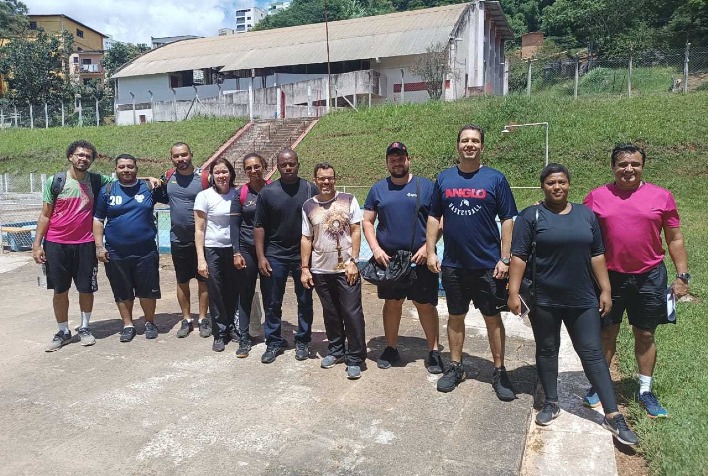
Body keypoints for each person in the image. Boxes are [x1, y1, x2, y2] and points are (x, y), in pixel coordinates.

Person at [507, 163, 638, 445]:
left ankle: (613, 414)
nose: (558, 187)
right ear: (543, 186)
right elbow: (518, 256)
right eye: (552, 182)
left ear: (569, 184)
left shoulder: (585, 215)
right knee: (547, 348)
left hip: (582, 298)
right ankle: (551, 402)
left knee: (591, 352)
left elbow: (597, 254)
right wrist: (513, 292)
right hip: (544, 299)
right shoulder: (531, 216)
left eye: (562, 182)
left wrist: (605, 288)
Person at [583, 144, 690, 418]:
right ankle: (601, 385)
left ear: (643, 166)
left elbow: (674, 238)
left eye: (634, 164)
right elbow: (582, 234)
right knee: (607, 332)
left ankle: (645, 390)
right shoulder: (596, 197)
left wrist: (682, 276)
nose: (628, 169)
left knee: (645, 333)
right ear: (613, 167)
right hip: (609, 278)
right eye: (622, 164)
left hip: (650, 277)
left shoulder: (662, 197)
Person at [426, 124, 517, 398]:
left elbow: (508, 219)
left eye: (475, 141)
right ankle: (456, 366)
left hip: (488, 264)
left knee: (492, 318)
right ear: (458, 145)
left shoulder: (495, 179)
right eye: (465, 140)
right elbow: (433, 217)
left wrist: (505, 257)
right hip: (454, 264)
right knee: (455, 316)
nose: (470, 145)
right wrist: (431, 251)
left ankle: (500, 370)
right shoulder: (444, 179)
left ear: (482, 146)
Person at [362, 142, 444, 375]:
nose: (397, 162)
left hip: (419, 258)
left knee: (425, 305)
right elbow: (367, 221)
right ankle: (391, 347)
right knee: (392, 304)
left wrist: (429, 249)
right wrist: (376, 249)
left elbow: (440, 221)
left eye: (401, 158)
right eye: (392, 159)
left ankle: (434, 350)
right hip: (389, 260)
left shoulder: (426, 187)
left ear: (408, 159)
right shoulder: (378, 189)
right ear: (387, 162)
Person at [33, 140, 114, 351]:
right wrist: (37, 244)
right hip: (56, 244)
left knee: (86, 289)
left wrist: (148, 179)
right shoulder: (56, 181)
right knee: (60, 290)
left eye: (88, 156)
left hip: (86, 243)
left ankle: (85, 328)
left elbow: (125, 179)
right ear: (70, 157)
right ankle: (63, 331)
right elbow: (45, 214)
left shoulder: (97, 181)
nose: (83, 159)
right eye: (80, 155)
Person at [93, 154, 169, 342]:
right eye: (122, 167)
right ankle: (128, 325)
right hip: (116, 251)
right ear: (116, 170)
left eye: (130, 166)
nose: (126, 170)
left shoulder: (148, 188)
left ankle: (150, 322)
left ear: (137, 168)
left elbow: (170, 197)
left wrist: (157, 180)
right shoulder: (107, 190)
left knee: (148, 290)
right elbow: (98, 220)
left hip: (146, 250)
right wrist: (99, 246)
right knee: (122, 290)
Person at [301, 163, 366, 379]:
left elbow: (356, 230)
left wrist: (353, 261)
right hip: (320, 268)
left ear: (335, 179)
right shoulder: (308, 206)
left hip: (346, 268)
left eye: (329, 178)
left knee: (351, 312)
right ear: (315, 180)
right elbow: (306, 238)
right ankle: (336, 350)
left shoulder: (348, 200)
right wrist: (305, 268)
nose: (325, 182)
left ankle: (355, 357)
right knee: (330, 313)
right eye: (321, 178)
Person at [254, 148, 317, 364]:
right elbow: (259, 226)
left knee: (305, 300)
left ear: (298, 164)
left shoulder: (310, 189)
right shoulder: (268, 193)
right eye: (283, 165)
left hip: (304, 257)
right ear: (277, 166)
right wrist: (261, 256)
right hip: (275, 255)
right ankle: (273, 341)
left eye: (292, 164)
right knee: (273, 301)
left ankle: (303, 340)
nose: (288, 168)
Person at [164, 143, 210, 339]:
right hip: (178, 239)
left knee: (203, 281)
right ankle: (186, 319)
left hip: (204, 239)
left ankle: (202, 318)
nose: (181, 159)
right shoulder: (167, 178)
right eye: (176, 156)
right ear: (172, 158)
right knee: (182, 281)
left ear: (191, 155)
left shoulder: (205, 178)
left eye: (184, 155)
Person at [194, 158, 239, 352]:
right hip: (212, 249)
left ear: (231, 174)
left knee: (233, 290)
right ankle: (219, 332)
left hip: (235, 250)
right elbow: (199, 230)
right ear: (212, 175)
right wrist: (201, 259)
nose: (222, 176)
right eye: (218, 172)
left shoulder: (237, 195)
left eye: (225, 172)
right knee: (216, 291)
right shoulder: (204, 196)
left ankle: (232, 327)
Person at [231, 153, 270, 358]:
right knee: (245, 294)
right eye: (248, 168)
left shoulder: (273, 189)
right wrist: (236, 252)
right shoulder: (241, 194)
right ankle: (244, 337)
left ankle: (273, 336)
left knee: (271, 295)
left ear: (263, 166)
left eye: (256, 166)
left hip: (270, 251)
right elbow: (234, 225)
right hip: (247, 250)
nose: (253, 171)